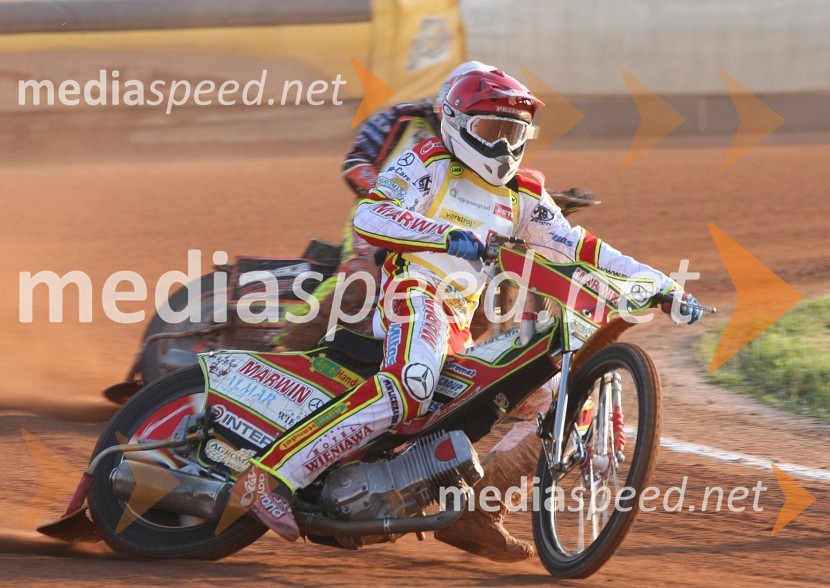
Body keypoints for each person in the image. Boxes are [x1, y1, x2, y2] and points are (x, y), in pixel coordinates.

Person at [231, 67, 703, 548]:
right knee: (412, 383)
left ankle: (477, 512)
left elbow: (585, 249)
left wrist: (664, 286)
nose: (500, 147)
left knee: (557, 397)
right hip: (412, 294)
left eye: (511, 134)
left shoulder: (525, 194)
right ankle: (270, 473)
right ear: (455, 121)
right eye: (489, 132)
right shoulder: (428, 160)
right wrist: (445, 235)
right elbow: (371, 213)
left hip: (458, 325)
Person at [271, 63, 597, 562]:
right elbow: (355, 167)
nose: (496, 134)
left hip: (455, 258)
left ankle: (480, 505)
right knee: (353, 284)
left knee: (504, 311)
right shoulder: (399, 121)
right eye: (484, 120)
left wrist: (552, 208)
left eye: (503, 127)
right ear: (451, 104)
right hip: (385, 228)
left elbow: (497, 201)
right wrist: (399, 201)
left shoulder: (492, 148)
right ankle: (278, 357)